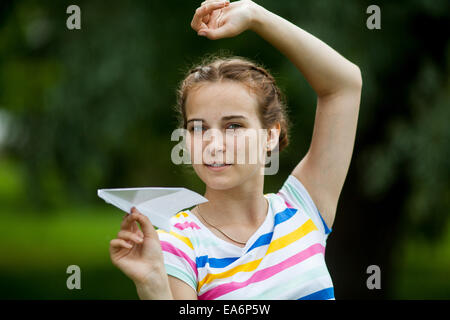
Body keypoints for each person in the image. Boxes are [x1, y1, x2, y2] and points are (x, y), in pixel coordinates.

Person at [109, 0, 362, 300]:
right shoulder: (178, 243)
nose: (213, 145)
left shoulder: (303, 209)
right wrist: (153, 286)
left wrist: (257, 16)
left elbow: (345, 85)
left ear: (271, 135)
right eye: (198, 128)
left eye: (233, 126)